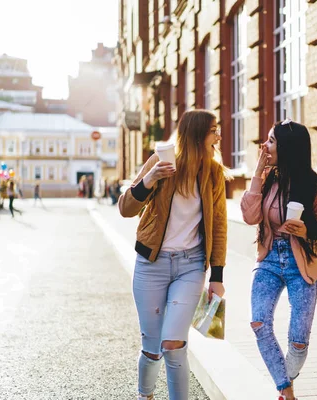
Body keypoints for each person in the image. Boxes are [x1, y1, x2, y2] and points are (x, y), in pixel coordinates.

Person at [118, 109, 228, 400]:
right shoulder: (161, 161)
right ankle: (145, 395)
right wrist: (150, 179)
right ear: (196, 134)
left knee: (173, 344)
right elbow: (125, 208)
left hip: (190, 266)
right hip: (151, 264)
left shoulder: (214, 172)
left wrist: (216, 276)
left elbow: (218, 225)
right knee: (152, 345)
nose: (219, 135)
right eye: (214, 130)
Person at [240, 118, 317, 400]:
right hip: (270, 259)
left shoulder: (316, 187)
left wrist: (306, 230)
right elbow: (249, 216)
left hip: (301, 264)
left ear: (288, 148)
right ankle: (285, 389)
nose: (265, 145)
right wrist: (258, 172)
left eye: (271, 141)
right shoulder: (269, 179)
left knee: (298, 341)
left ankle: (287, 380)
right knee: (259, 322)